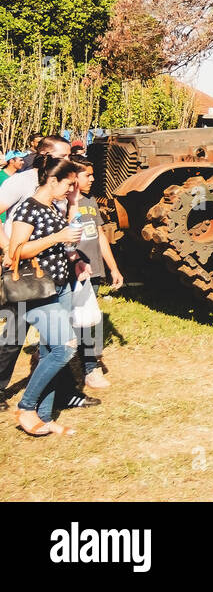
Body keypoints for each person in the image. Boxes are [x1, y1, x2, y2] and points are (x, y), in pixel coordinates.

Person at [8, 154, 86, 436]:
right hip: (37, 289)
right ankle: (26, 407)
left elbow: (68, 232)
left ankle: (44, 416)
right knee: (66, 347)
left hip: (59, 285)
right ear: (52, 180)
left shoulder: (52, 206)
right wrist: (57, 238)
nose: (70, 189)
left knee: (49, 350)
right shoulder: (29, 208)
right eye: (68, 184)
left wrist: (74, 204)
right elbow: (16, 251)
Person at [66, 156, 124, 390]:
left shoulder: (90, 201)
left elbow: (100, 235)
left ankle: (90, 368)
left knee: (88, 321)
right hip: (71, 270)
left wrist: (113, 267)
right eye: (87, 175)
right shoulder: (63, 204)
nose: (92, 178)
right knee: (69, 320)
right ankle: (66, 364)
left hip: (93, 269)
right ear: (74, 177)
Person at [0, 135, 72, 239]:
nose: (68, 160)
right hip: (21, 252)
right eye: (62, 156)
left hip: (54, 252)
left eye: (69, 156)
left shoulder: (64, 183)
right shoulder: (21, 181)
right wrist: (6, 246)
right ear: (44, 155)